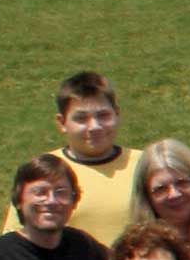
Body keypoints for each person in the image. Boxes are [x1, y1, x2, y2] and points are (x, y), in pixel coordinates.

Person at [22, 70, 139, 247]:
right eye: (81, 118)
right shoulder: (43, 172)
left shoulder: (144, 164)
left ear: (117, 113)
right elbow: (19, 242)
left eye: (103, 115)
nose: (94, 127)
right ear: (62, 123)